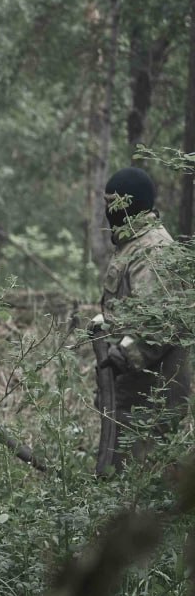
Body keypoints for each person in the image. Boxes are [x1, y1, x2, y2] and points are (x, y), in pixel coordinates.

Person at [94, 166, 190, 471]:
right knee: (121, 473)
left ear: (128, 204)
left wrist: (123, 353)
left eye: (112, 202)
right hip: (133, 387)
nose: (107, 210)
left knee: (143, 481)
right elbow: (133, 306)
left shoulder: (153, 250)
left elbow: (161, 322)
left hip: (151, 392)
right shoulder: (134, 244)